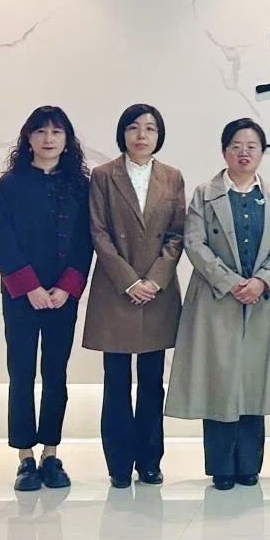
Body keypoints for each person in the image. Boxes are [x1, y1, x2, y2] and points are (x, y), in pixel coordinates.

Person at [165, 118, 270, 490]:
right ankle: (221, 466)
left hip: (262, 300)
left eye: (252, 146)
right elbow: (195, 243)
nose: (244, 153)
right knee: (219, 382)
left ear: (262, 153)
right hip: (216, 299)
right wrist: (230, 282)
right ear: (224, 152)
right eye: (236, 146)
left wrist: (262, 280)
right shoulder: (205, 194)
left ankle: (249, 465)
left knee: (254, 380)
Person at [82, 104, 186, 489]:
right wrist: (129, 281)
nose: (142, 136)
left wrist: (155, 280)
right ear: (122, 133)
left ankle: (150, 461)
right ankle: (119, 464)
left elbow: (177, 235)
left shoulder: (172, 177)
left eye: (150, 129)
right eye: (134, 128)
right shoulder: (103, 175)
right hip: (116, 290)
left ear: (159, 135)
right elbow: (98, 232)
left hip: (157, 293)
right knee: (116, 381)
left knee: (152, 380)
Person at [0, 105, 93, 492]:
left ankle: (51, 453)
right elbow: (3, 241)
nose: (49, 139)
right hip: (21, 295)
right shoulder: (11, 184)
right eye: (41, 131)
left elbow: (86, 241)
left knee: (56, 374)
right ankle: (24, 457)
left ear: (67, 141)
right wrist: (30, 287)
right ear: (28, 138)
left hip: (63, 296)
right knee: (21, 373)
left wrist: (66, 287)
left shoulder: (80, 185)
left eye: (57, 132)